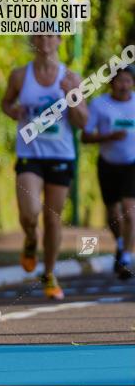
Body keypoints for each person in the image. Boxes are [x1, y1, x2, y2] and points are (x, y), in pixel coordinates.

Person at [1, 35, 88, 299]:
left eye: (50, 35)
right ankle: (29, 239)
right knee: (30, 213)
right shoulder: (19, 76)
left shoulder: (72, 78)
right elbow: (5, 103)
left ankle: (49, 274)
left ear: (59, 40)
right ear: (32, 40)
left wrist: (71, 97)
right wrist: (13, 111)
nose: (45, 40)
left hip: (61, 155)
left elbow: (82, 121)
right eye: (39, 35)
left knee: (52, 219)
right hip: (30, 153)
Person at [82, 64, 135, 279]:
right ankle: (120, 244)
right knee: (113, 211)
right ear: (111, 83)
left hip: (132, 163)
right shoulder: (99, 105)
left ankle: (127, 257)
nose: (124, 85)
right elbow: (85, 137)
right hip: (108, 163)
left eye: (128, 80)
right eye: (119, 80)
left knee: (129, 210)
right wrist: (108, 137)